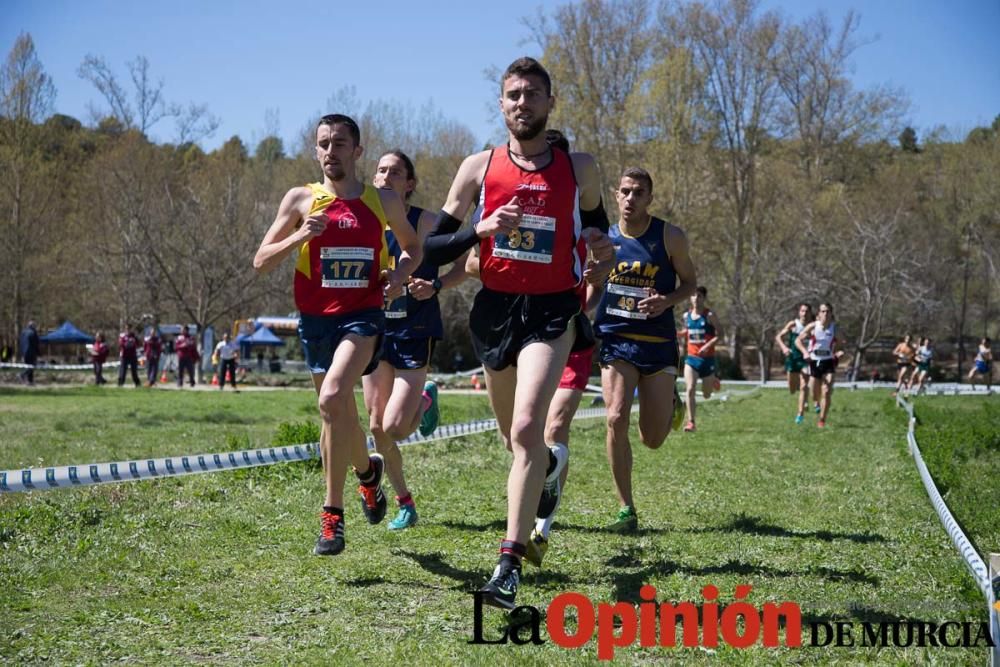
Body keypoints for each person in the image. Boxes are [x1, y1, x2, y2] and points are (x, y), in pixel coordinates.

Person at [421, 57, 615, 609]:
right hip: (495, 310)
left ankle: (508, 565)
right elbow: (432, 247)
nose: (522, 102)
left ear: (550, 102)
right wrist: (480, 230)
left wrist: (600, 244)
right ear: (501, 104)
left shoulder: (580, 167)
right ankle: (549, 466)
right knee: (515, 442)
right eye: (513, 94)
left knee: (529, 427)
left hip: (553, 310)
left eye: (532, 93)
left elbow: (596, 222)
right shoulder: (478, 167)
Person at [253, 113, 420, 557]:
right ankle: (368, 474)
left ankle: (332, 518)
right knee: (336, 414)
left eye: (340, 143)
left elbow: (414, 247)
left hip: (362, 317)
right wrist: (298, 237)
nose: (331, 151)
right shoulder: (301, 198)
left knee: (330, 399)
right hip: (315, 321)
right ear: (315, 150)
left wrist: (399, 276)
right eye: (323, 143)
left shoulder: (381, 199)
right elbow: (261, 260)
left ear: (357, 151)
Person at [361, 150, 464, 531]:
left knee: (396, 428)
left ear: (410, 184)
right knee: (375, 426)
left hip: (414, 330)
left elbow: (469, 262)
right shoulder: (364, 223)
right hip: (373, 330)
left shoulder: (427, 223)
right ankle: (405, 501)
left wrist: (435, 284)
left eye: (396, 172)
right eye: (380, 170)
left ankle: (424, 397)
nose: (386, 176)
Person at [594, 167, 695, 533]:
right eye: (625, 191)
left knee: (651, 439)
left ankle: (670, 404)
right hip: (617, 339)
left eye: (639, 192)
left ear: (650, 198)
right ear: (615, 195)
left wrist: (666, 301)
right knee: (615, 417)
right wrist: (586, 286)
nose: (631, 199)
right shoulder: (604, 240)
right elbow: (591, 293)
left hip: (657, 344)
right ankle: (626, 507)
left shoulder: (670, 237)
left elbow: (691, 284)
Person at [678, 287, 723, 432]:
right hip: (691, 359)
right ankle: (691, 422)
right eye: (693, 295)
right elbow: (688, 331)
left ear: (703, 298)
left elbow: (720, 334)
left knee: (706, 394)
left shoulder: (709, 315)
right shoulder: (687, 316)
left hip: (707, 360)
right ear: (690, 298)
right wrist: (679, 335)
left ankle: (713, 378)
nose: (696, 298)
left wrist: (708, 345)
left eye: (699, 296)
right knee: (690, 389)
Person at [795, 303, 845, 427]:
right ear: (818, 314)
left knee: (827, 391)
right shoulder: (813, 326)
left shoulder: (835, 329)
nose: (825, 314)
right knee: (814, 392)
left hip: (828, 361)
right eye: (823, 311)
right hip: (814, 361)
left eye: (828, 311)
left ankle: (822, 419)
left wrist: (839, 352)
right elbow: (798, 341)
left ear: (831, 314)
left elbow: (841, 344)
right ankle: (816, 401)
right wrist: (805, 352)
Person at [775, 303, 818, 423]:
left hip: (806, 359)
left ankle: (800, 415)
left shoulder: (813, 326)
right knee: (792, 389)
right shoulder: (793, 324)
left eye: (807, 311)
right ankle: (802, 399)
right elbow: (778, 337)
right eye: (802, 311)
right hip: (793, 358)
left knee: (804, 385)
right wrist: (784, 347)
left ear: (810, 313)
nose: (804, 314)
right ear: (799, 312)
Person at [19, 320, 39, 385]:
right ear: (33, 326)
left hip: (24, 353)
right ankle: (22, 374)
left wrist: (21, 353)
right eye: (35, 326)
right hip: (31, 352)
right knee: (33, 366)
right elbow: (36, 344)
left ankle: (30, 381)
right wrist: (39, 353)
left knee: (28, 366)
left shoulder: (23, 332)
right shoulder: (33, 333)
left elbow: (21, 343)